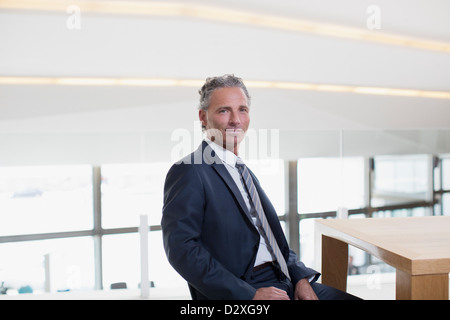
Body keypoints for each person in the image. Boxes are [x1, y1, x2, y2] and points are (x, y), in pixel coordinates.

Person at [161, 74, 359, 300]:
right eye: (224, 110)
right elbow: (181, 249)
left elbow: (272, 239)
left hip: (284, 281)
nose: (236, 119)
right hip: (245, 289)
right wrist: (249, 295)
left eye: (242, 110)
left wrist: (300, 279)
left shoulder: (243, 172)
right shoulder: (190, 170)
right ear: (203, 117)